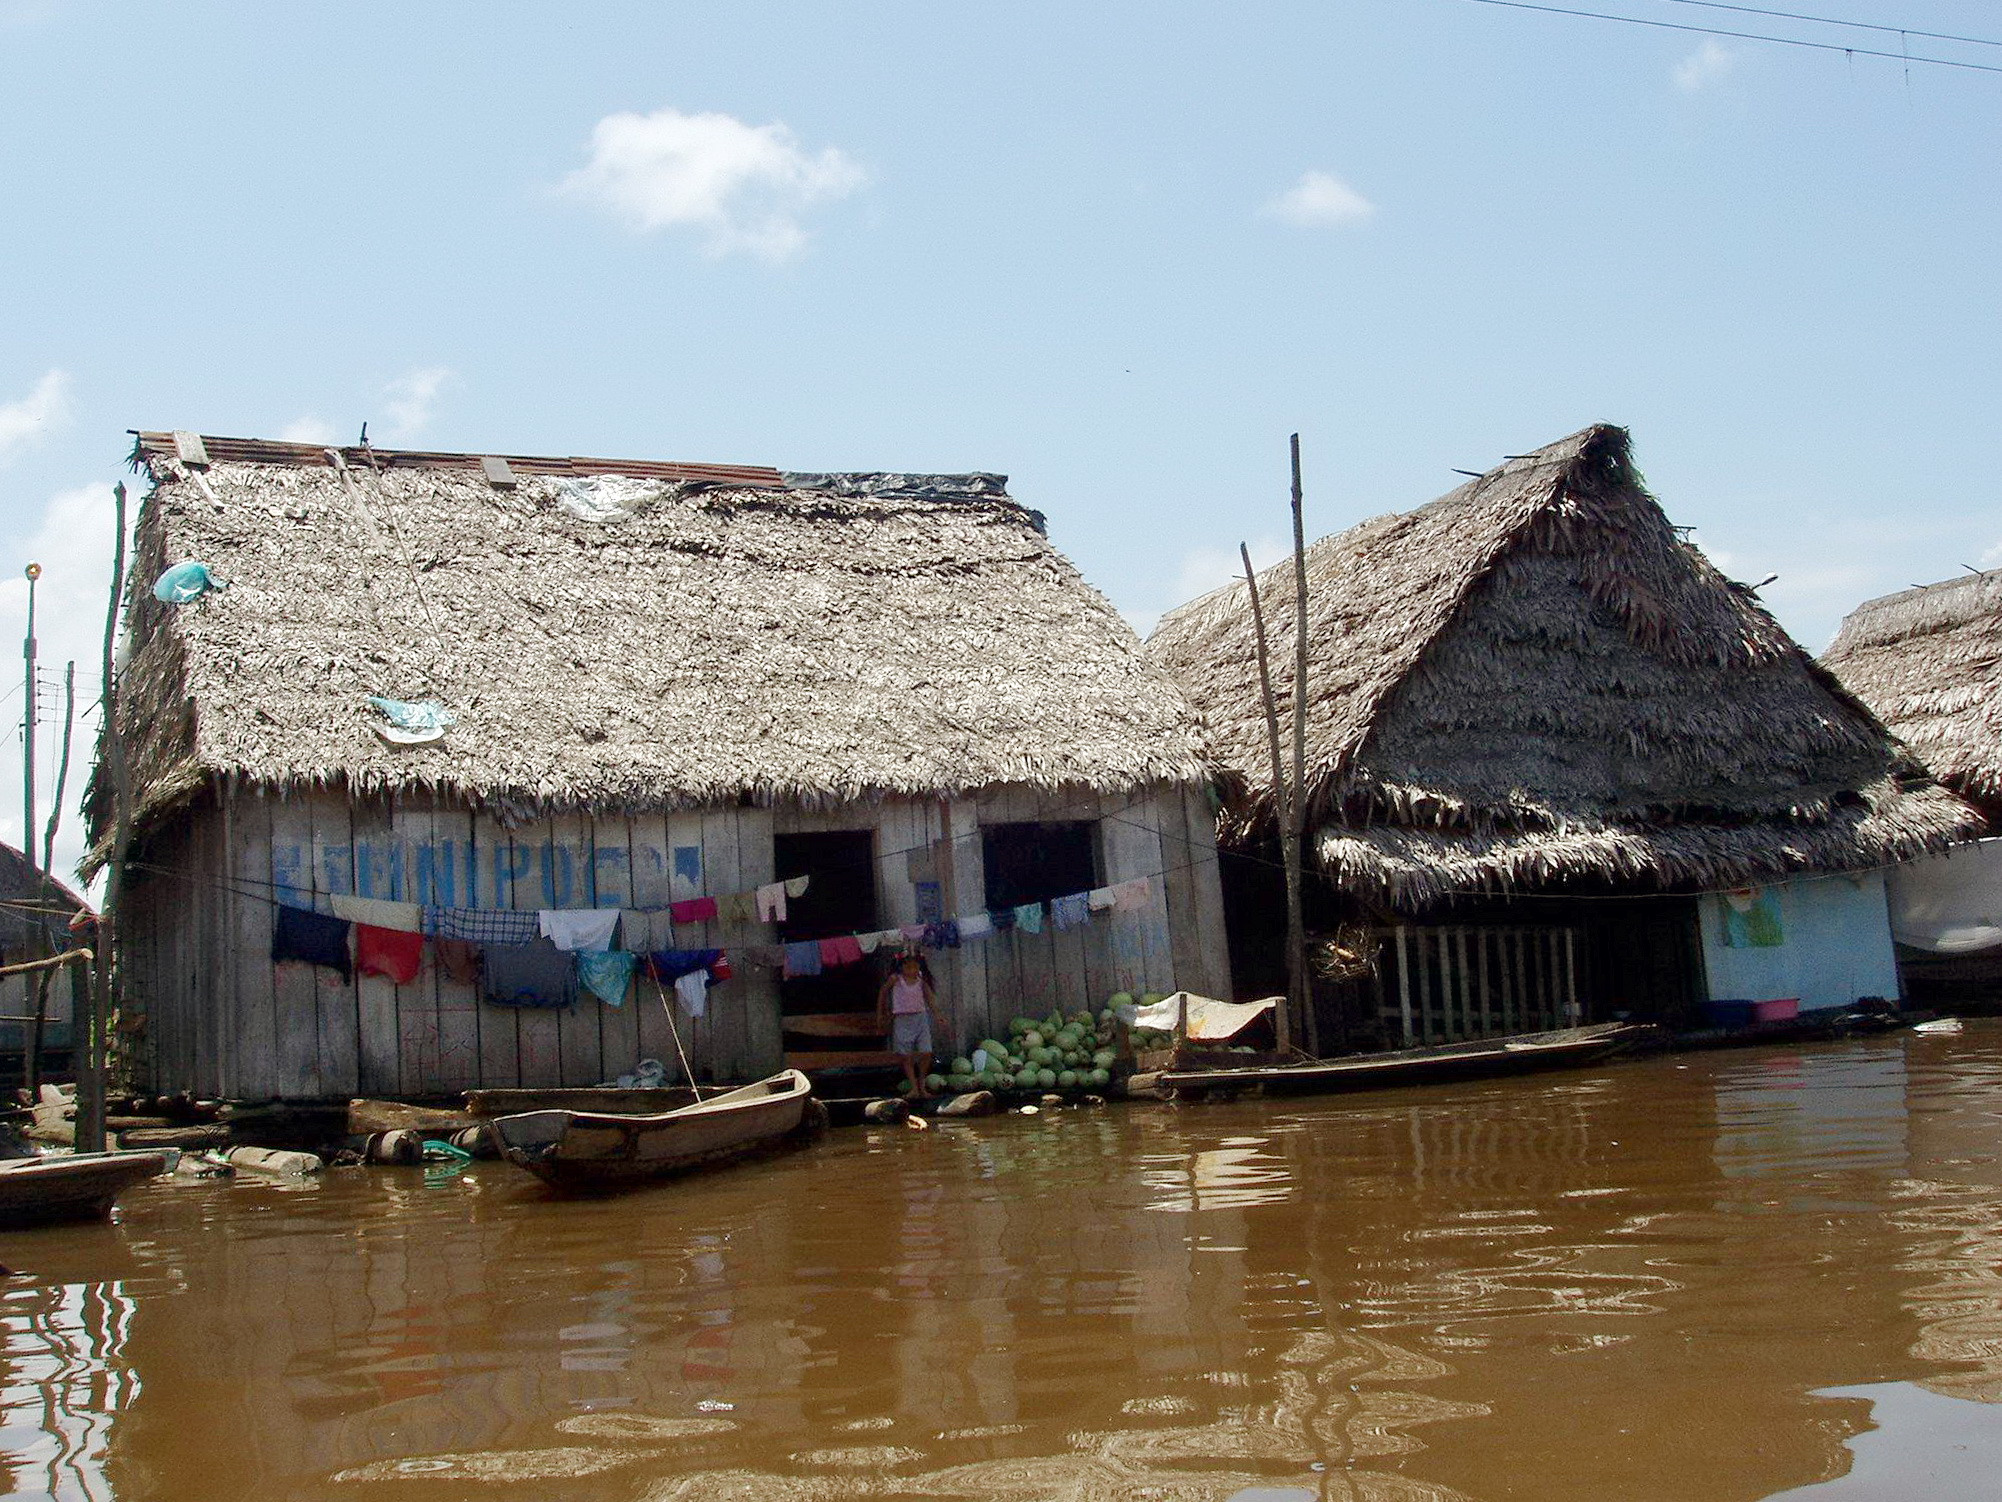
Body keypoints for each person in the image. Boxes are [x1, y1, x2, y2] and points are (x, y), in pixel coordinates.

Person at [877, 952, 943, 1099]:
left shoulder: (921, 979)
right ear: (901, 967)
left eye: (915, 966)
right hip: (902, 1018)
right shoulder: (896, 979)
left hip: (920, 1017)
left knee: (926, 1052)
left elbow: (930, 998)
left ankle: (922, 1085)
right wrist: (881, 1014)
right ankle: (914, 1088)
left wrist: (938, 1015)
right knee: (906, 1056)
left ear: (919, 966)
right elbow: (883, 992)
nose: (911, 969)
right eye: (908, 966)